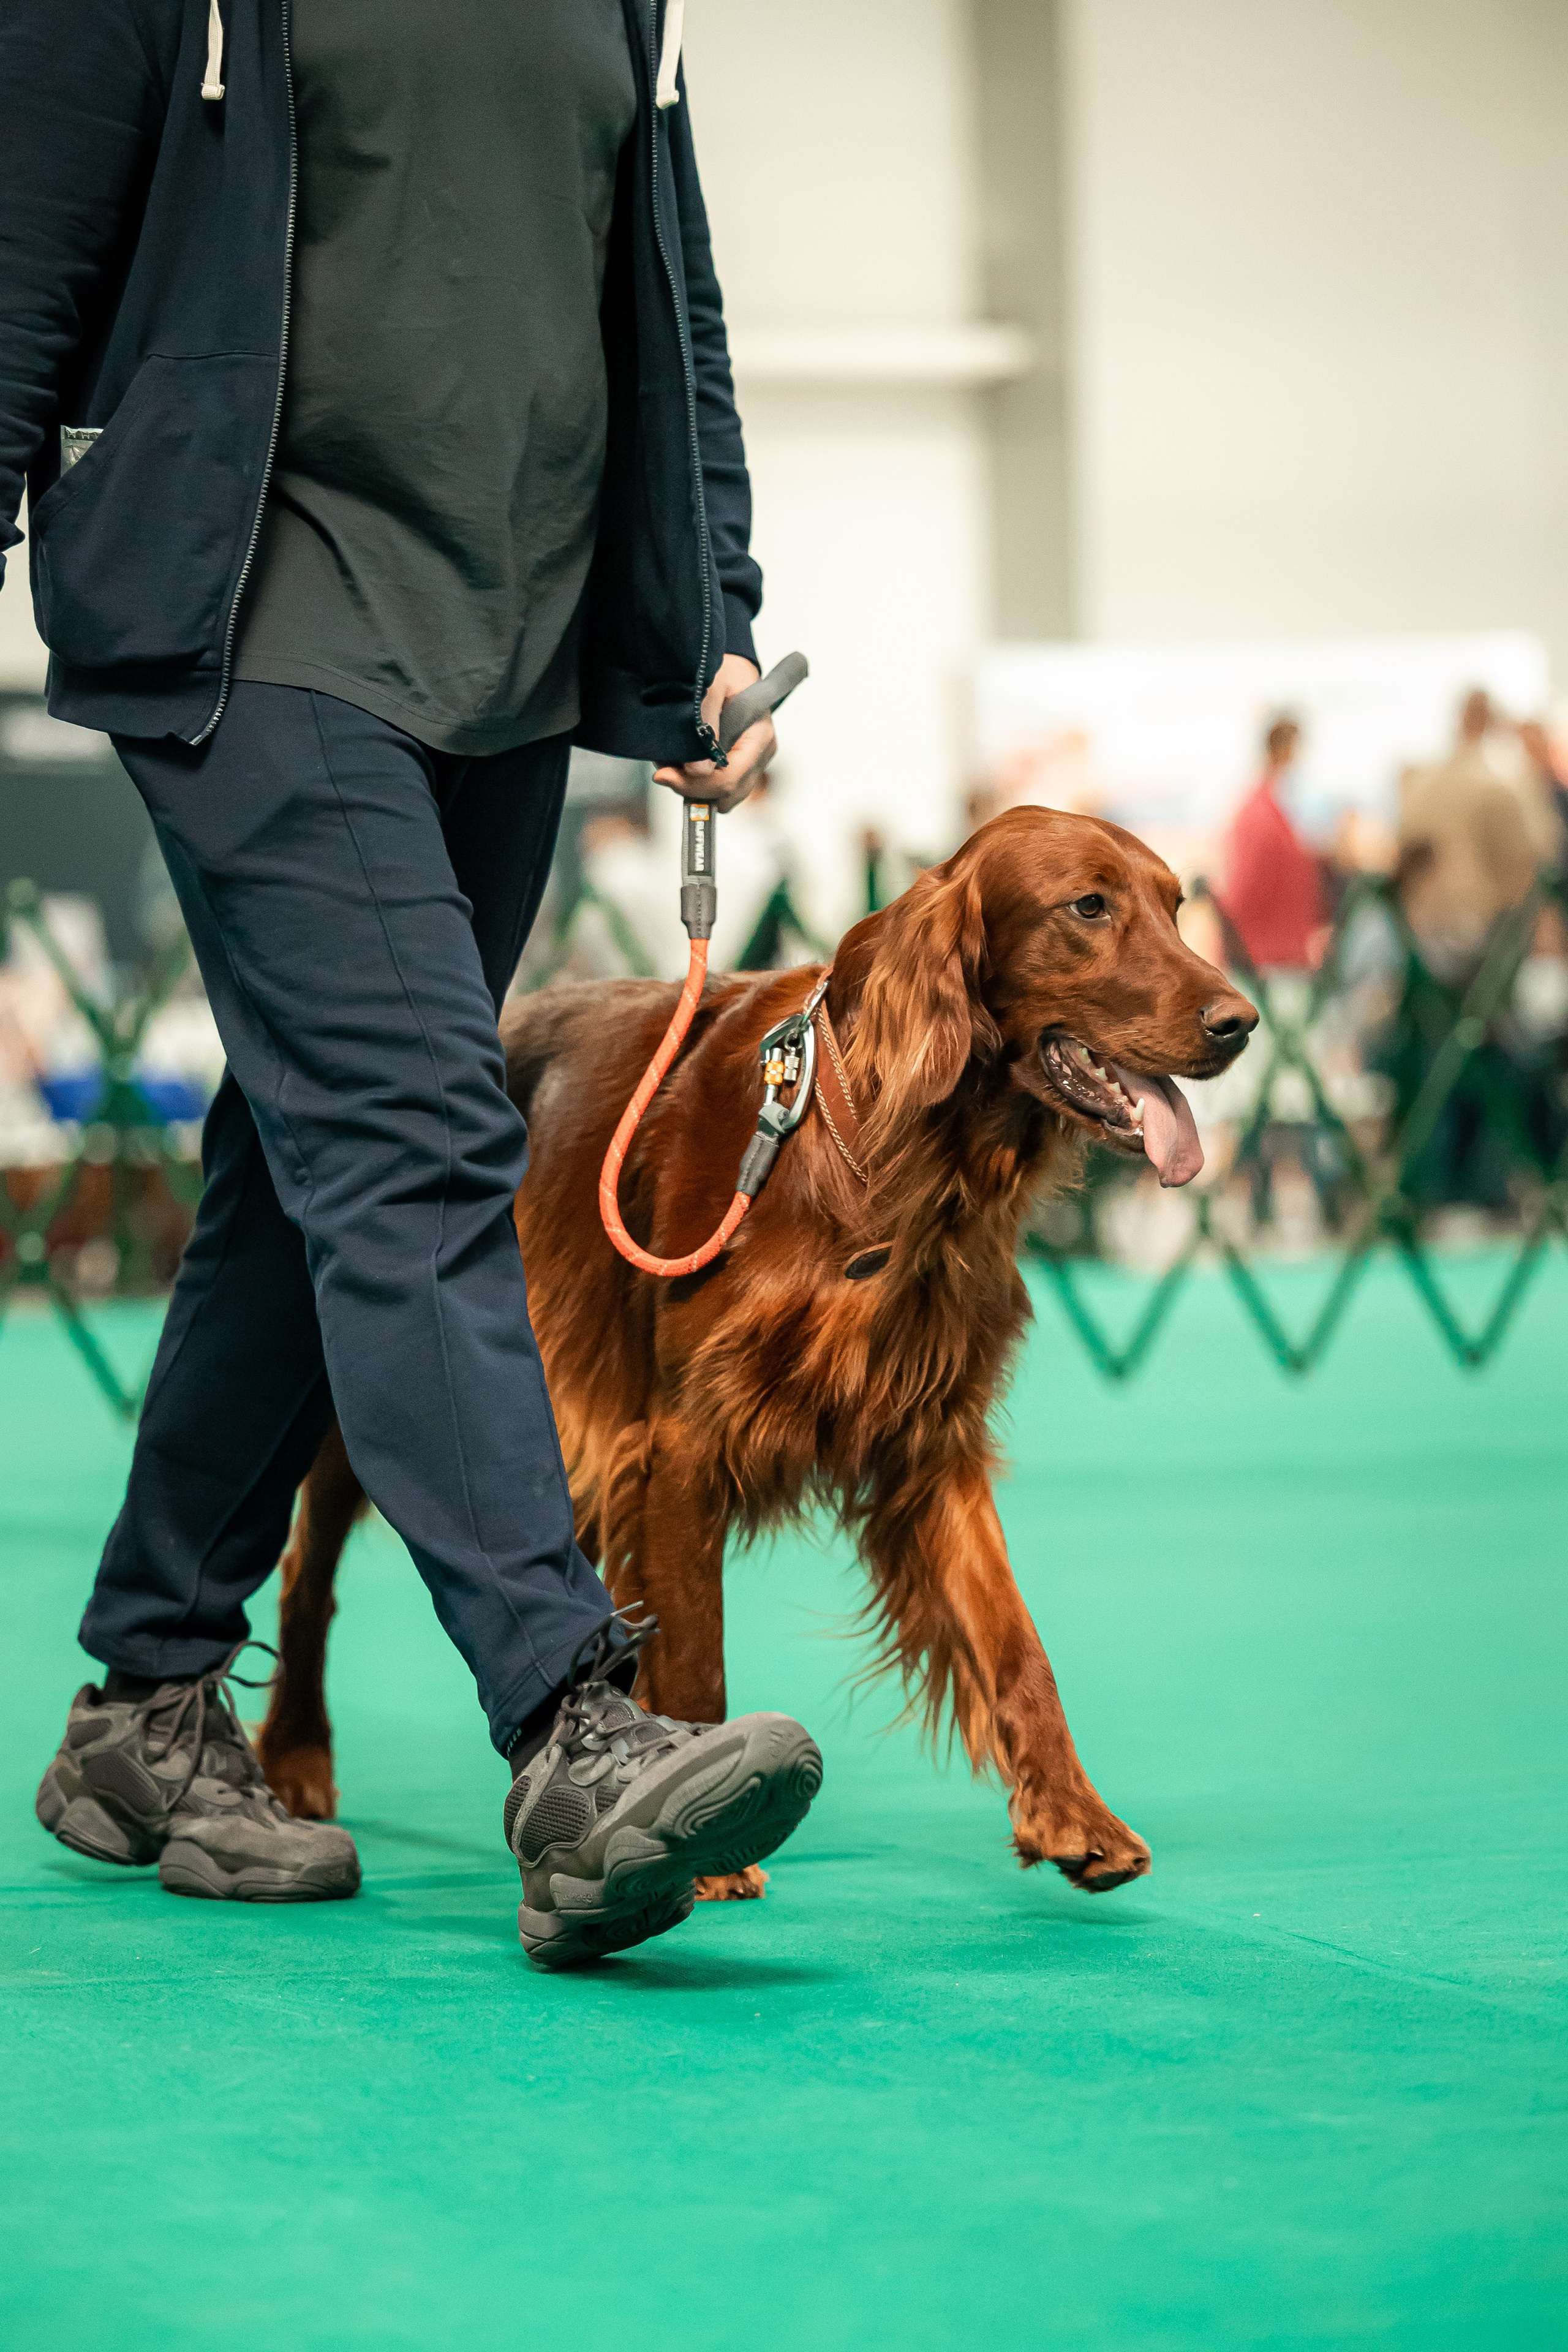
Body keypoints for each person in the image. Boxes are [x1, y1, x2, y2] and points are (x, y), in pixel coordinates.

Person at [2, 0, 821, 1966]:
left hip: (506, 653)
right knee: (419, 1133)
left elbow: (670, 298)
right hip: (249, 617)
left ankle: (144, 1699)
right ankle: (569, 1726)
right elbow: (25, 252)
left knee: (307, 1164)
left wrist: (706, 618)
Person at [1215, 715, 1323, 973]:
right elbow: (1246, 884)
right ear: (1286, 749)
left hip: (1273, 951)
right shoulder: (1260, 812)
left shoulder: (1268, 805)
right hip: (1265, 955)